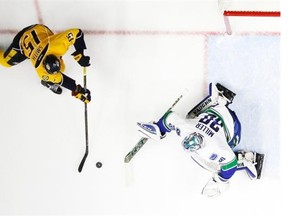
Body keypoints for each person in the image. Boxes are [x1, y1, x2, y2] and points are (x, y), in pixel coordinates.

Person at [137, 83, 264, 197]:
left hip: (235, 128)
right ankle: (221, 101)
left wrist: (220, 181)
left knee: (214, 165)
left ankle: (249, 159)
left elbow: (231, 164)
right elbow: (170, 118)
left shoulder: (213, 146)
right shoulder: (187, 129)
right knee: (190, 117)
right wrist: (158, 128)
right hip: (218, 112)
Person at [0, 24, 91, 103]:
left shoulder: (55, 46)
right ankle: (48, 82)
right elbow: (62, 80)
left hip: (40, 32)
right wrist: (76, 89)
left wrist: (80, 53)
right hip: (21, 41)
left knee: (62, 69)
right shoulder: (42, 72)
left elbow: (77, 33)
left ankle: (49, 82)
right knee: (4, 62)